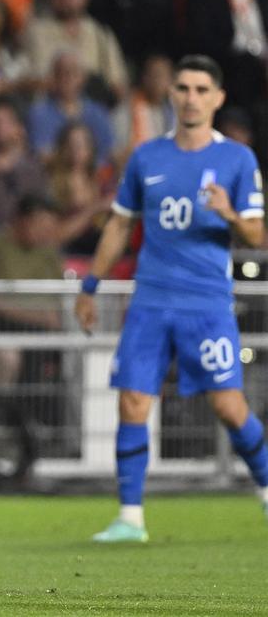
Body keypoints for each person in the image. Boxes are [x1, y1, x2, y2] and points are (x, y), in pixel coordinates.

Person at [75, 55, 268, 543]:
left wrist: (229, 214)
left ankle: (266, 485)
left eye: (202, 90)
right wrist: (91, 284)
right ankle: (130, 518)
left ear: (218, 98)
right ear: (171, 95)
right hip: (151, 301)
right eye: (183, 88)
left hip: (207, 304)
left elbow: (256, 235)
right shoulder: (147, 157)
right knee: (133, 401)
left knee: (229, 406)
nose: (191, 98)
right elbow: (120, 224)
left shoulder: (238, 160)